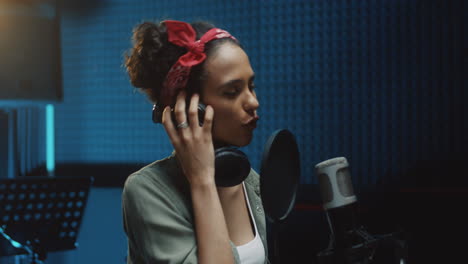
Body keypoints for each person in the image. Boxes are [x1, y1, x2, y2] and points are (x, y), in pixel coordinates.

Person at [122, 19, 268, 264]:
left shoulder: (250, 182)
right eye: (232, 92)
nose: (253, 102)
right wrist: (202, 181)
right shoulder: (146, 191)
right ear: (191, 108)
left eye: (251, 87)